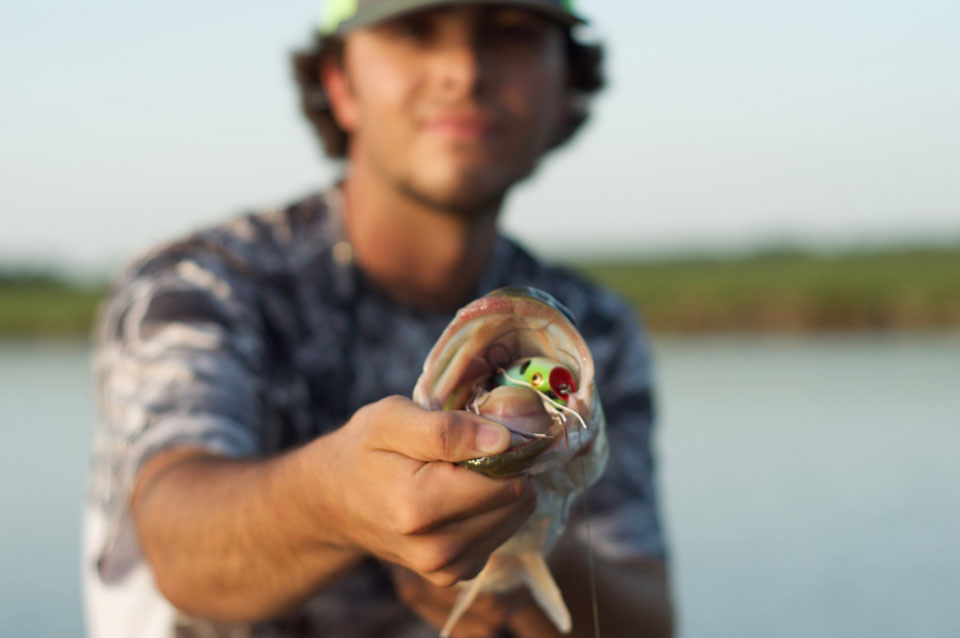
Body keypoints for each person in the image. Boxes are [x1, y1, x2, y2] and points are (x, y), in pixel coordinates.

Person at [84, 1, 674, 636]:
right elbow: (176, 541)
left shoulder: (598, 329)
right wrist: (334, 501)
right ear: (340, 85)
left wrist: (518, 558)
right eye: (414, 30)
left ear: (566, 88)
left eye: (511, 32)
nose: (463, 70)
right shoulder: (202, 284)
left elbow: (649, 616)